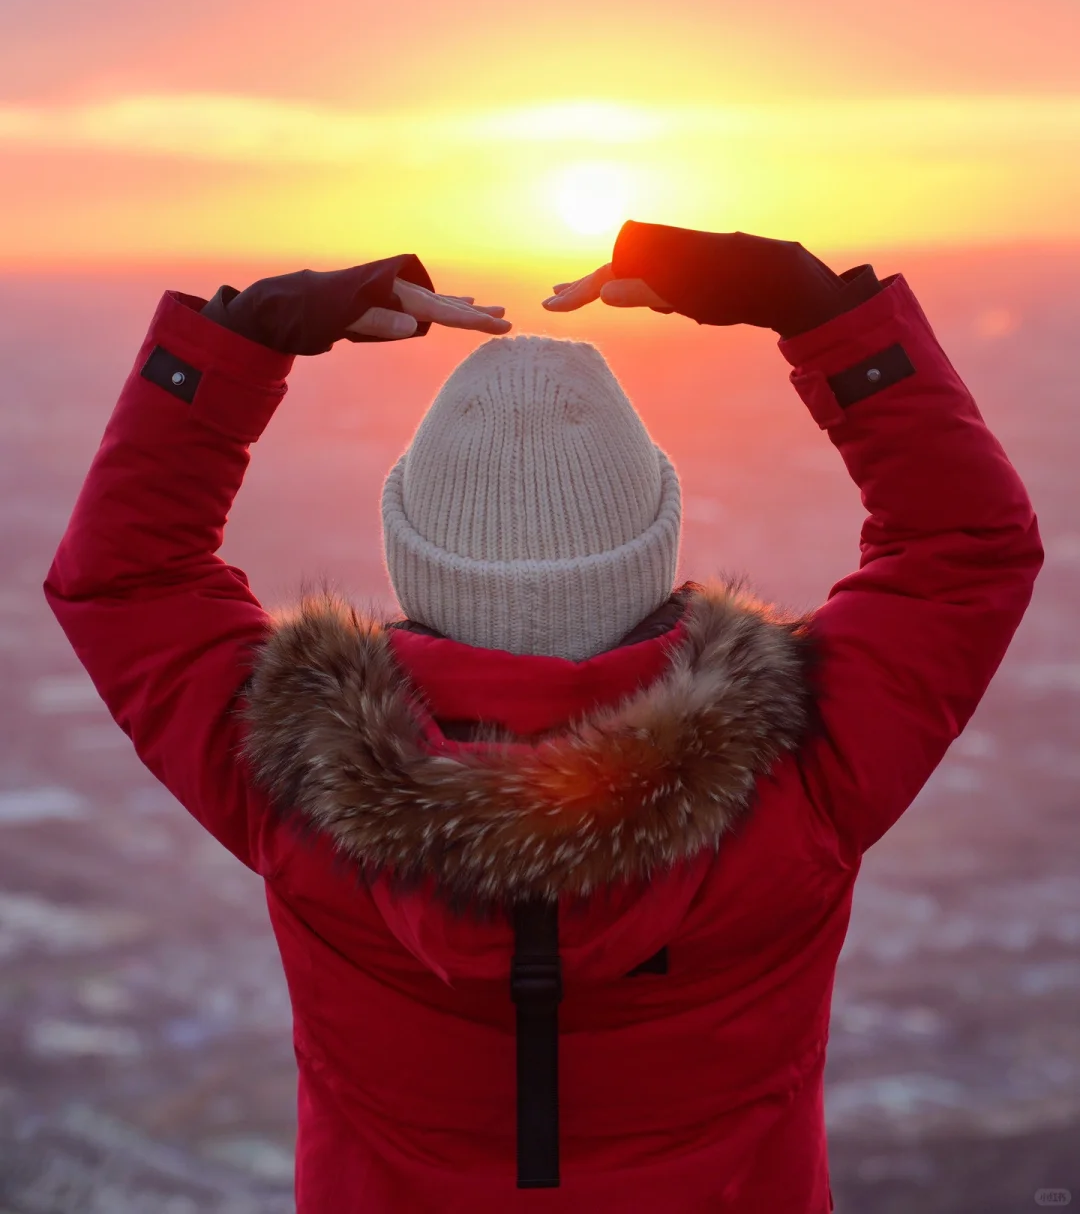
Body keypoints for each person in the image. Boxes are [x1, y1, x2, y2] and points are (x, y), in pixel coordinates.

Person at [44, 223, 1043, 1213]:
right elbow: (965, 547)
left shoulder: (298, 781)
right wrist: (819, 311)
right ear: (654, 538)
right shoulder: (801, 766)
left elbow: (128, 582)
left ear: (411, 551)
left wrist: (238, 342)